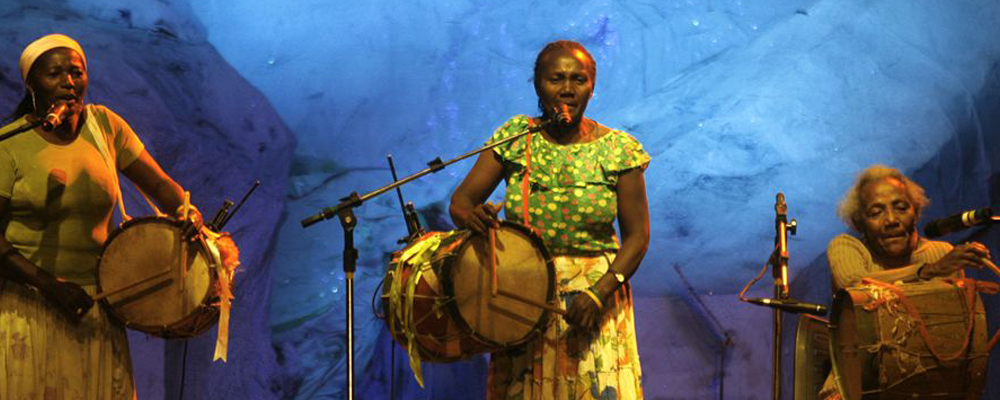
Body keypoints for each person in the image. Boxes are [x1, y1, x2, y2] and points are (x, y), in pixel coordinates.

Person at [0, 33, 202, 399]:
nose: (68, 82)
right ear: (31, 84)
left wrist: (186, 209)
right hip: (29, 308)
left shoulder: (105, 126)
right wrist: (50, 287)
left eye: (76, 72)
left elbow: (160, 185)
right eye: (55, 74)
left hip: (94, 306)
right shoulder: (10, 144)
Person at [450, 40, 648, 400]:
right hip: (524, 297)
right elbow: (461, 202)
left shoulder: (620, 149)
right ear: (538, 84)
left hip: (594, 301)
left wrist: (599, 292)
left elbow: (637, 238)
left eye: (579, 79)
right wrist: (472, 217)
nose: (568, 90)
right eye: (556, 79)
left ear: (593, 86)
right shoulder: (517, 138)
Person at [819, 164, 989, 399]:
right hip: (856, 388)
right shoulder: (848, 247)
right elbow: (852, 283)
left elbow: (954, 332)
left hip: (933, 387)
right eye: (876, 212)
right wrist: (926, 272)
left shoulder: (940, 252)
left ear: (916, 212)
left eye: (900, 208)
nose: (891, 220)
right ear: (859, 223)